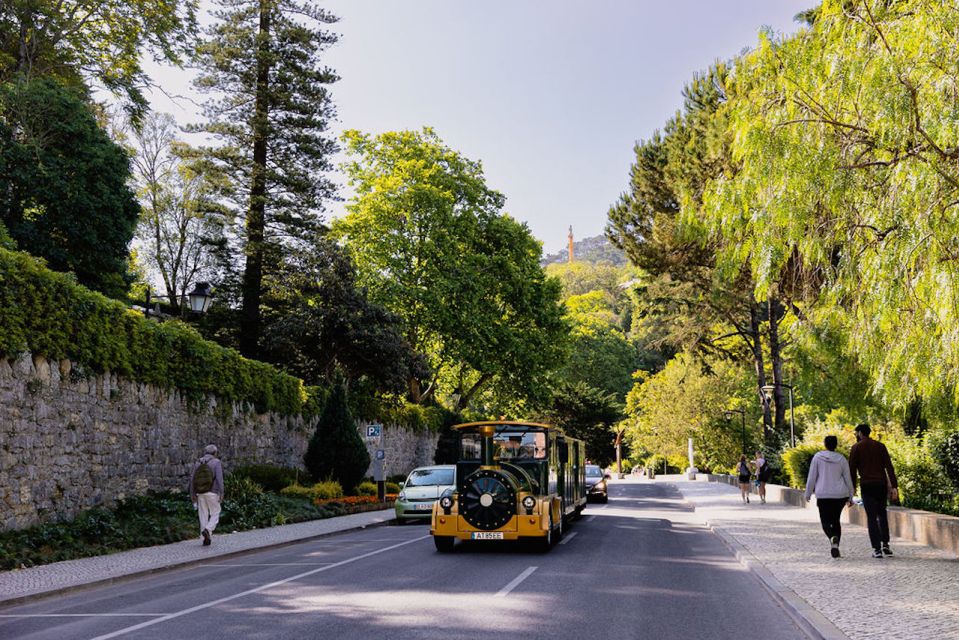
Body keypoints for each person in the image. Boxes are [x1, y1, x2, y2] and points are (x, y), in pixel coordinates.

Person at [849, 423, 898, 558]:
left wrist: (851, 489)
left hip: (867, 485)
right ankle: (886, 544)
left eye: (856, 434)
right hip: (881, 485)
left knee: (871, 517)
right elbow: (889, 467)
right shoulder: (880, 446)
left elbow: (851, 470)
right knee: (882, 514)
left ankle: (876, 549)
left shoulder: (856, 448)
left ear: (859, 433)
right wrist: (894, 486)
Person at [804, 435, 854, 558]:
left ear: (825, 444)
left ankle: (833, 538)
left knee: (825, 522)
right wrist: (850, 496)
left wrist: (808, 493)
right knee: (836, 520)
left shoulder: (817, 457)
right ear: (836, 445)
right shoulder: (841, 459)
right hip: (840, 495)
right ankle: (835, 544)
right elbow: (848, 479)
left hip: (823, 495)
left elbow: (812, 476)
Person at [189, 444, 224, 546]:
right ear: (215, 453)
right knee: (216, 512)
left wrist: (192, 493)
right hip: (213, 492)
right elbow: (219, 479)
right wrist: (222, 493)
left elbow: (192, 479)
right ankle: (208, 530)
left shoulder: (198, 462)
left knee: (203, 514)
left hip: (200, 492)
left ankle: (204, 537)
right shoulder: (216, 462)